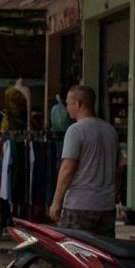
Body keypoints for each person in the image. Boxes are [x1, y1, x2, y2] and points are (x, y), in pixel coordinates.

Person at [49, 84, 119, 236]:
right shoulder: (110, 131)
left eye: (68, 103)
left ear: (78, 103)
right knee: (102, 255)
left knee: (73, 254)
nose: (67, 108)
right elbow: (117, 167)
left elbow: (67, 169)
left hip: (79, 206)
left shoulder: (75, 130)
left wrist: (56, 202)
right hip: (106, 206)